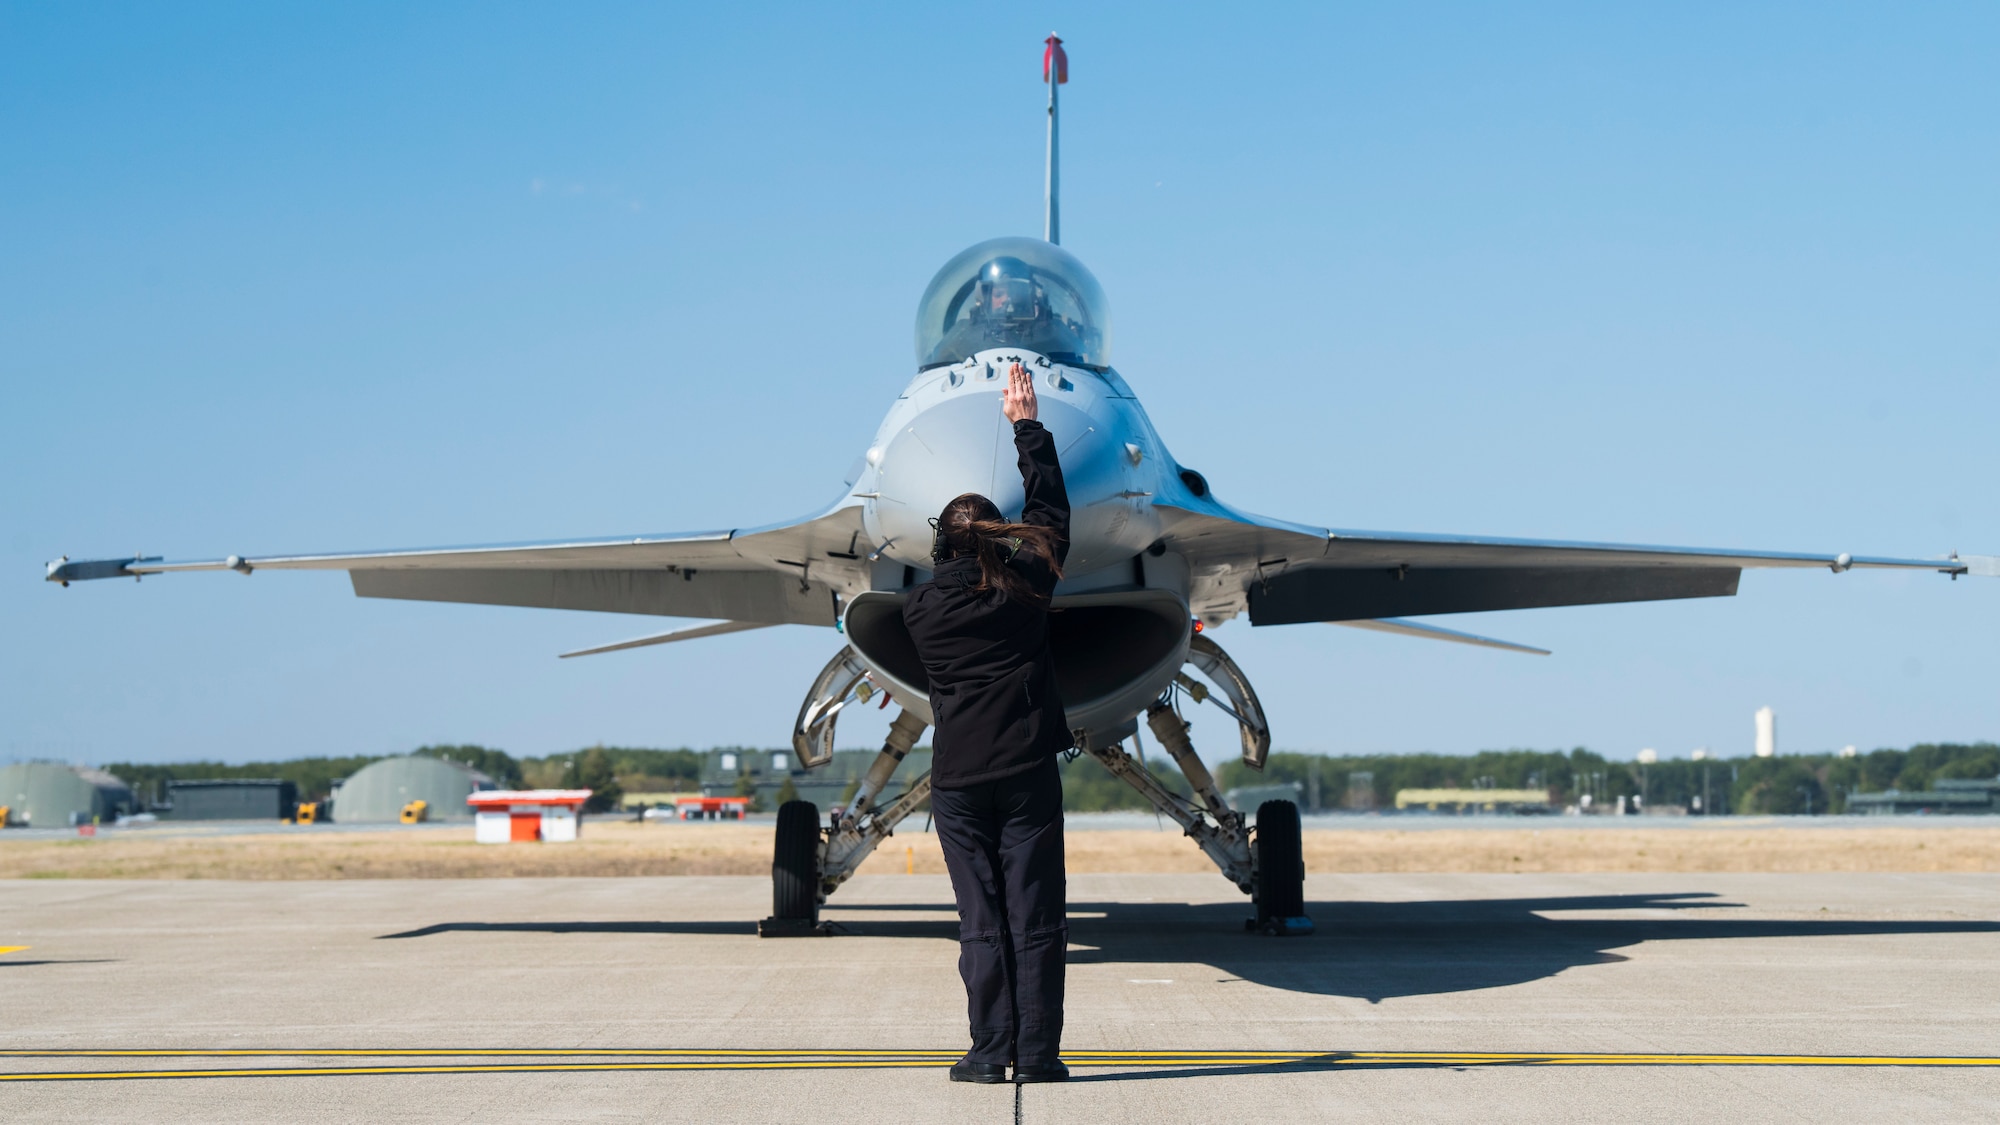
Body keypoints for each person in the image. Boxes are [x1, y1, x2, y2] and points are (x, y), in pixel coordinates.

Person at [902, 361, 1072, 1085]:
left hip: (960, 783)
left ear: (940, 545)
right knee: (1035, 917)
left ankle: (985, 1050)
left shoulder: (919, 611)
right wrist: (1024, 427)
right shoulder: (1026, 588)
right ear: (999, 540)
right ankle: (1035, 1055)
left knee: (981, 920)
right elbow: (1052, 519)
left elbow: (966, 564)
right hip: (1027, 773)